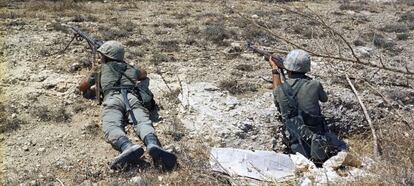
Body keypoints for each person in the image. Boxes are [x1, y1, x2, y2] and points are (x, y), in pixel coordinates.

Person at [79, 41, 177, 170]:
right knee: (143, 122)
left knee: (111, 125)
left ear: (106, 57)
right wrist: (129, 67)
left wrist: (93, 71)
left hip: (112, 98)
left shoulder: (100, 69)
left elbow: (82, 87)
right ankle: (153, 144)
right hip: (132, 97)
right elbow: (143, 74)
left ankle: (127, 147)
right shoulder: (131, 69)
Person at [268, 49, 347, 163]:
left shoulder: (281, 90)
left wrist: (275, 70)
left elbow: (276, 92)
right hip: (319, 138)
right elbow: (324, 99)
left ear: (287, 68)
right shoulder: (315, 84)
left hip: (297, 142)